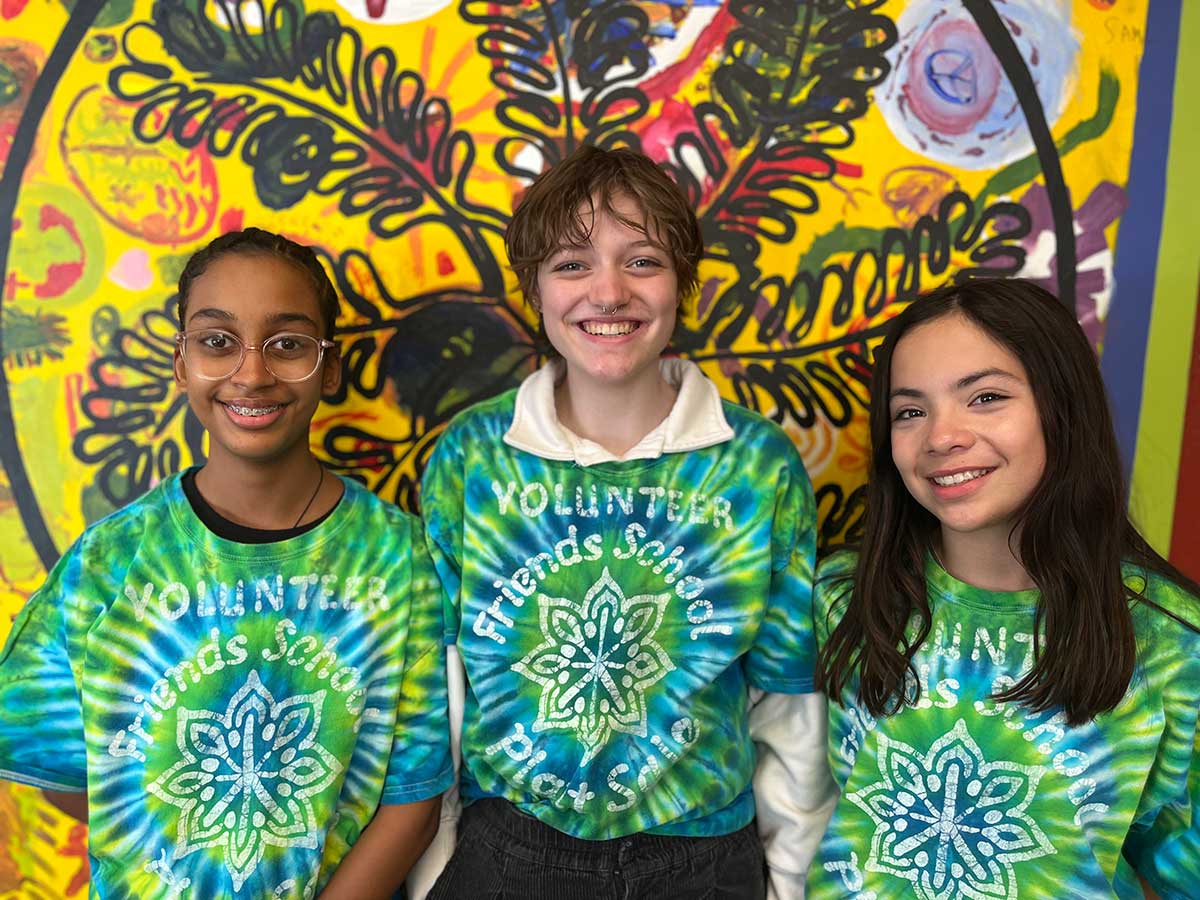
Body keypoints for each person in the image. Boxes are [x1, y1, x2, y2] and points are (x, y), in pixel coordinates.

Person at [417, 145, 834, 900]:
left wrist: (792, 875)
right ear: (534, 290)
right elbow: (443, 689)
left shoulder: (758, 466)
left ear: (683, 283)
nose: (608, 292)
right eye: (572, 264)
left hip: (703, 856)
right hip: (509, 845)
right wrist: (435, 871)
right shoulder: (471, 459)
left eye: (641, 260)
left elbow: (787, 699)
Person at [0, 228, 453, 899]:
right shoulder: (109, 563)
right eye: (218, 341)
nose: (251, 373)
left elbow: (412, 801)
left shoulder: (402, 561)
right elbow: (67, 771)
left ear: (330, 367)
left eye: (288, 344)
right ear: (182, 363)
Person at [809, 278, 1200, 898]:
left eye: (985, 397)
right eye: (910, 411)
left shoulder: (1169, 639)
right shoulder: (841, 595)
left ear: (1060, 408)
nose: (942, 437)